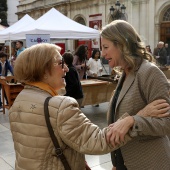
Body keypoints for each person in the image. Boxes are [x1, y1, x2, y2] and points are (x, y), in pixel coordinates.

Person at [9, 43, 169, 170]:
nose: (66, 68)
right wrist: (136, 118)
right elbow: (98, 141)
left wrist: (75, 158)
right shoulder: (60, 106)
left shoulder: (20, 100)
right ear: (44, 71)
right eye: (60, 63)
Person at [101, 20, 170, 170]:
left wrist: (133, 120)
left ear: (121, 44)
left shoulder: (149, 72)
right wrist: (116, 161)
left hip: (150, 163)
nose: (103, 53)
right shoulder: (125, 74)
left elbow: (166, 123)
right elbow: (117, 121)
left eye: (106, 47)